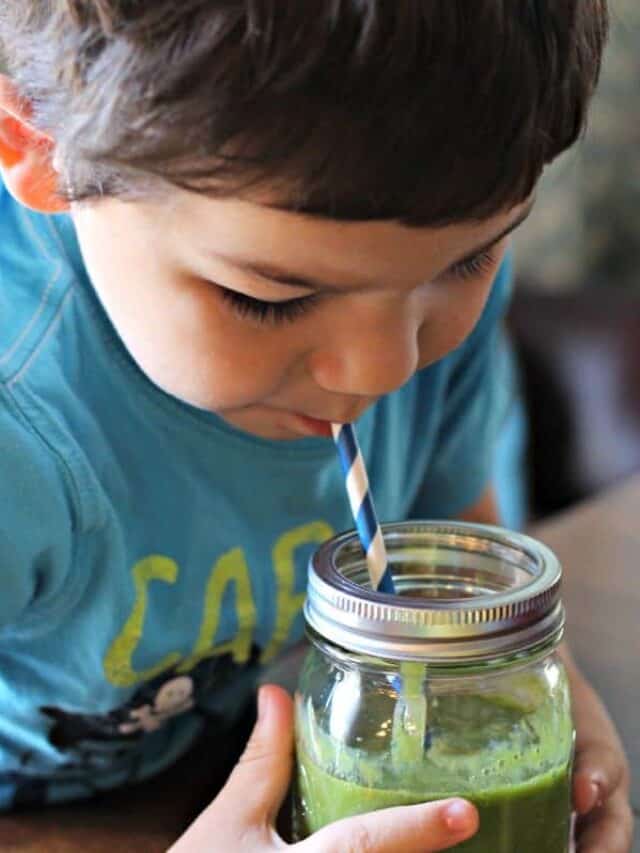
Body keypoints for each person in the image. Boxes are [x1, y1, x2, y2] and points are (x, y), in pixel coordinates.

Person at [0, 2, 631, 851]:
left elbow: (455, 549)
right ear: (37, 149)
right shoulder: (21, 426)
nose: (385, 367)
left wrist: (537, 676)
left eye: (469, 259)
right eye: (272, 298)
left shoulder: (414, 301)